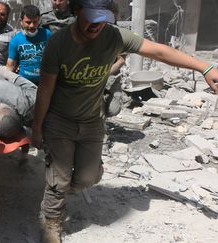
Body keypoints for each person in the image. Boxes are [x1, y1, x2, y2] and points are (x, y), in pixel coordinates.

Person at [31, 0, 218, 242]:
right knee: (59, 179)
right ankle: (51, 223)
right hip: (60, 122)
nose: (97, 24)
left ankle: (60, 188)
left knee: (87, 178)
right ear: (77, 11)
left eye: (104, 18)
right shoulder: (58, 44)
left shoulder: (116, 37)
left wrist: (204, 67)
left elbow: (160, 51)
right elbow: (44, 91)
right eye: (91, 16)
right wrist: (37, 129)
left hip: (92, 122)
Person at [6, 5, 52, 84]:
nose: (32, 26)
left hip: (45, 83)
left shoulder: (47, 34)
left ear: (39, 21)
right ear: (21, 21)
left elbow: (55, 57)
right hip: (24, 84)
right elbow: (10, 66)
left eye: (35, 22)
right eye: (28, 22)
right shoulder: (15, 40)